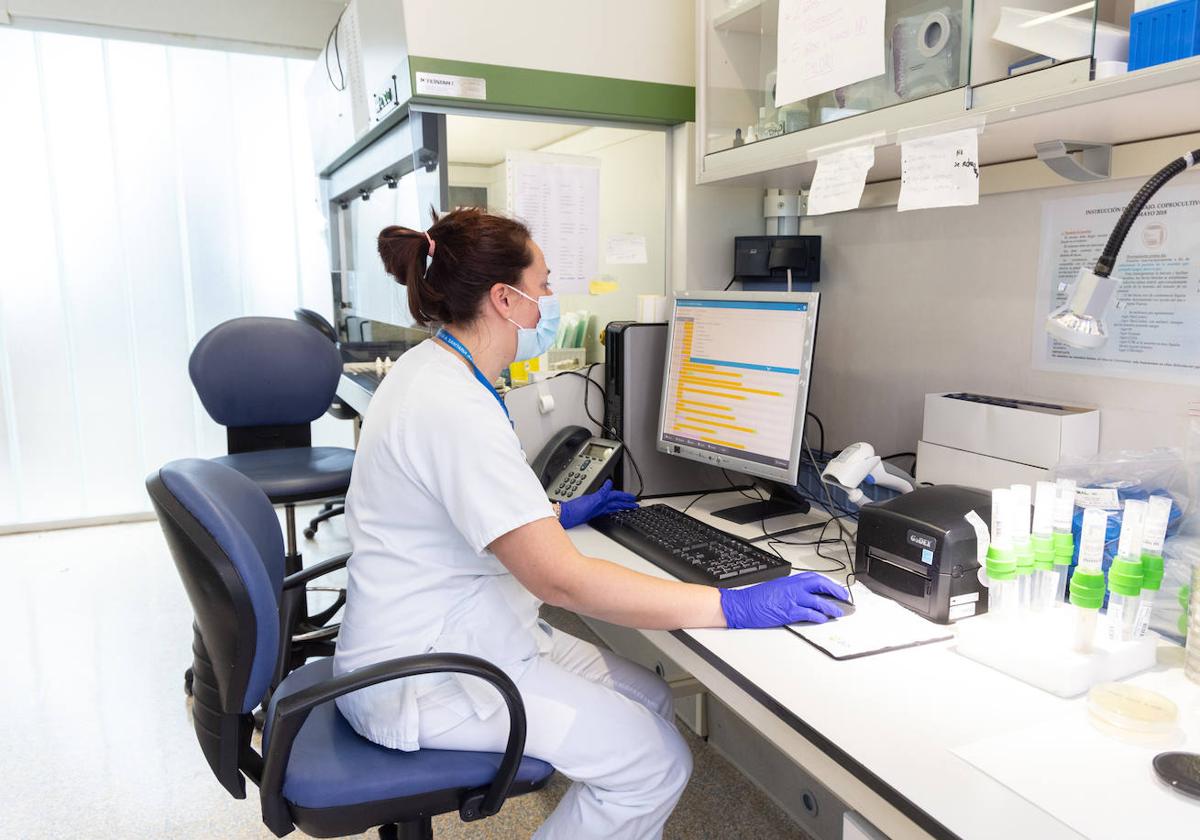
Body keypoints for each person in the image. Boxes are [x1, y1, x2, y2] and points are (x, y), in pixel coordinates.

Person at [332, 208, 849, 840]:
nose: (550, 301)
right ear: (504, 298)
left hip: (469, 630)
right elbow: (564, 583)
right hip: (430, 677)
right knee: (656, 765)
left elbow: (465, 506)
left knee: (653, 700)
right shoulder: (450, 405)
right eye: (543, 285)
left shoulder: (440, 369)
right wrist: (729, 604)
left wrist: (551, 513)